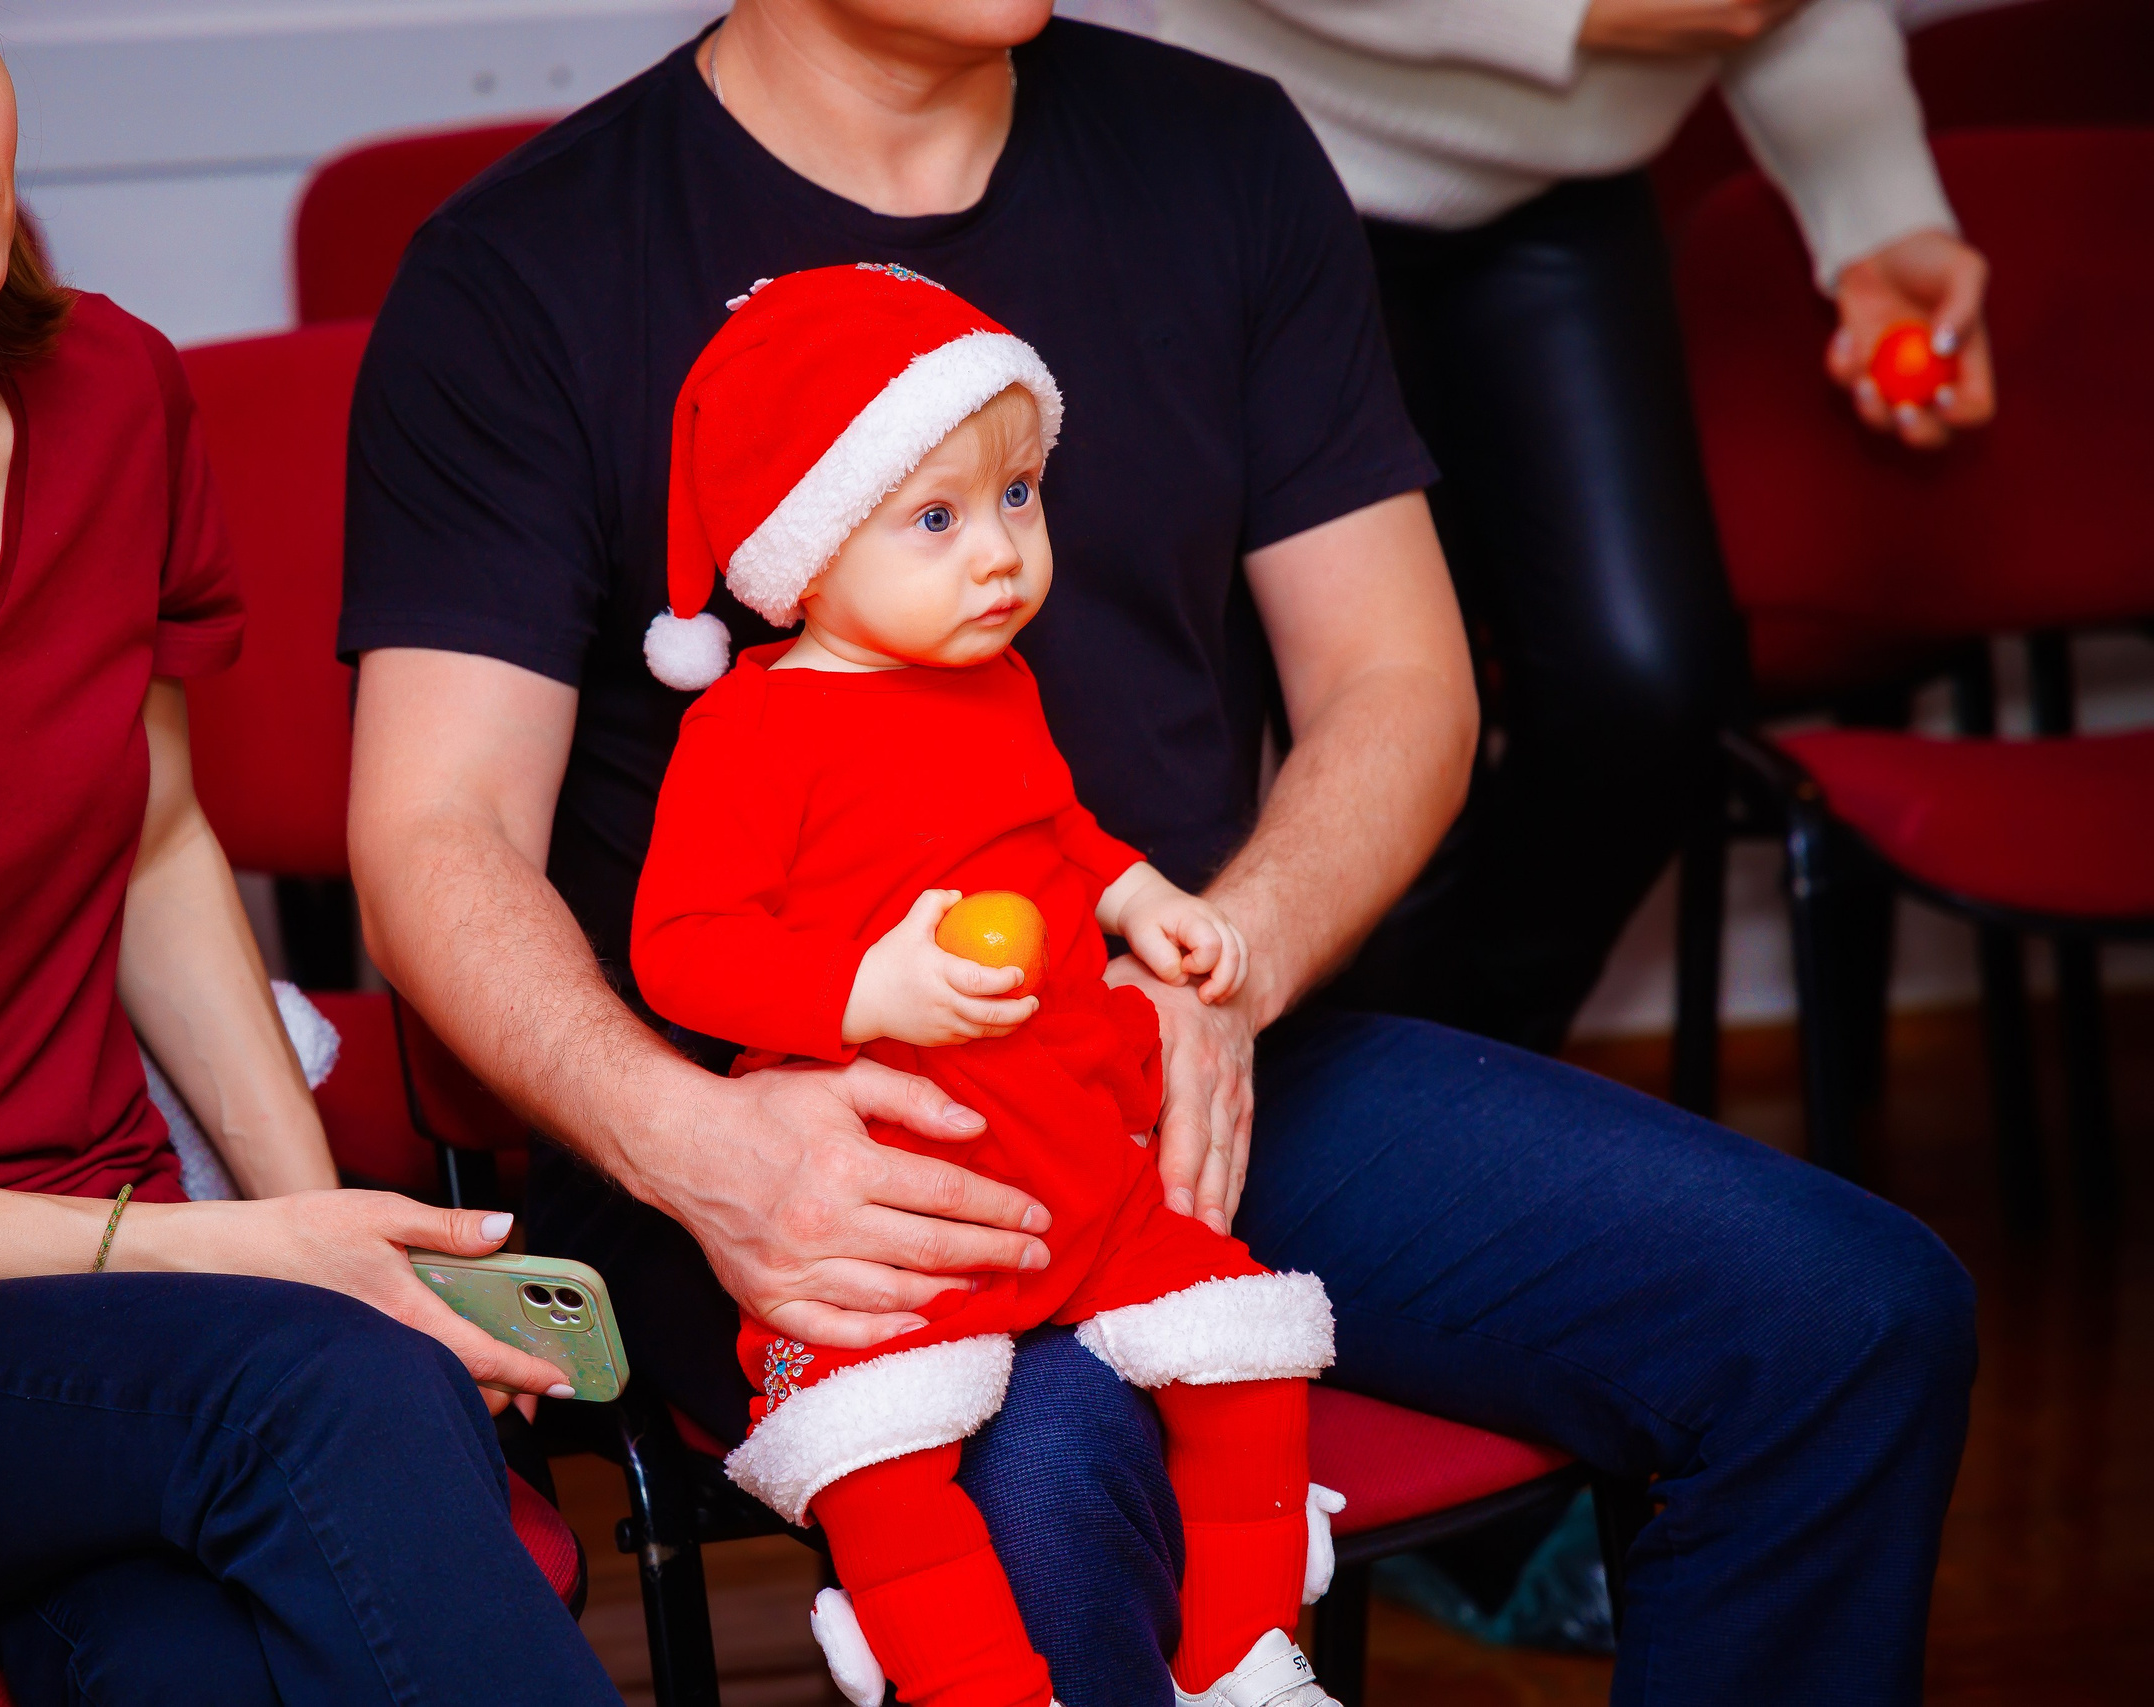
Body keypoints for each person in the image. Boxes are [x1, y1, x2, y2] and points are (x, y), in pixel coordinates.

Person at [342, 5, 1978, 1705]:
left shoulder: (1228, 150)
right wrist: (699, 1143)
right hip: (800, 1129)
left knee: (1844, 1318)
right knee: (1051, 1479)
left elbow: (1397, 678)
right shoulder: (519, 268)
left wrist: (1230, 966)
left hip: (1179, 1058)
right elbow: (433, 838)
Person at [0, 4, 615, 1701]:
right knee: (315, 1386)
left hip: (95, 1297)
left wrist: (330, 1228)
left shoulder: (106, 396)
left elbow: (151, 845)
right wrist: (249, 1259)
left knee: (193, 1651)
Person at [631, 265, 1338, 1707]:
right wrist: (861, 986)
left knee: (1249, 1350)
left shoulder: (992, 677)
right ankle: (969, 1680)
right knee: (884, 1454)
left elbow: (1058, 829)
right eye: (937, 519)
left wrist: (1144, 897)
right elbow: (681, 947)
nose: (1001, 554)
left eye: (1018, 496)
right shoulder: (756, 730)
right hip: (908, 1194)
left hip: (1083, 1151)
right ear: (809, 552)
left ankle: (1245, 1663)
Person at [1155, 0, 1998, 1050]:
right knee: (1375, 749)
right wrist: (1577, 15)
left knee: (1651, 693)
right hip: (1258, 164)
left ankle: (1448, 1086)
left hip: (1559, 193)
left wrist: (1876, 213)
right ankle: (1404, 1129)